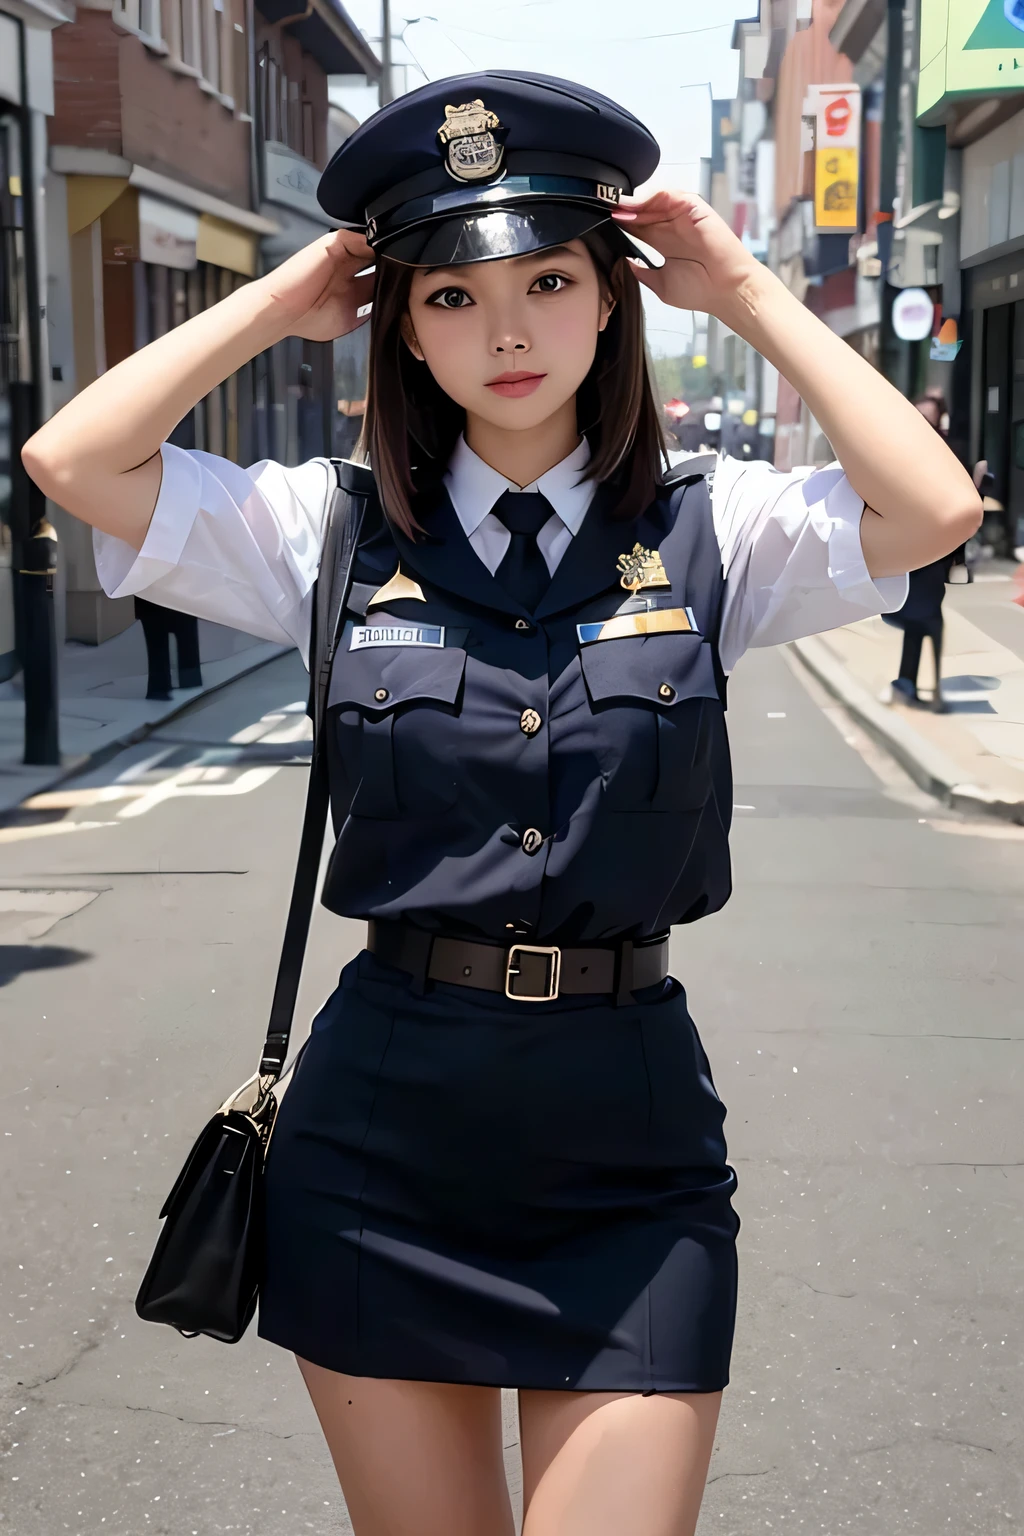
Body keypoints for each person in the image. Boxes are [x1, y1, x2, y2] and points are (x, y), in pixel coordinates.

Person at [22, 72, 980, 1536]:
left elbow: (934, 507)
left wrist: (747, 292)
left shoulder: (716, 530)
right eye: (453, 296)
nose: (511, 330)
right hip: (381, 1143)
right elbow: (74, 460)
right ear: (402, 322)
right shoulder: (326, 533)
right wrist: (285, 299)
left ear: (613, 298)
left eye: (549, 278)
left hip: (631, 1143)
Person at [883, 395, 960, 711]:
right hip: (909, 546)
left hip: (933, 548)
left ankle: (912, 683)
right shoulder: (898, 451)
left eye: (929, 420)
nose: (923, 426)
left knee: (924, 617)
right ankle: (919, 685)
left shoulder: (945, 453)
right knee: (924, 618)